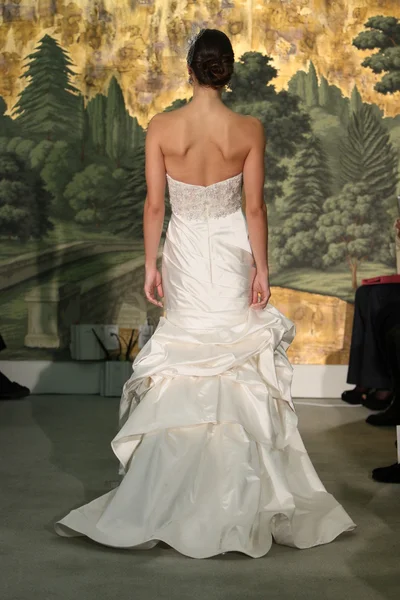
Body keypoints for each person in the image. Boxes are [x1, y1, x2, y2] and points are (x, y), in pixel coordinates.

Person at [55, 28, 355, 558]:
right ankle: (243, 498)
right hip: (231, 247)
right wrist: (263, 268)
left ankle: (165, 497)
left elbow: (154, 207)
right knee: (234, 364)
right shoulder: (247, 128)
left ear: (190, 69)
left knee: (186, 360)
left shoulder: (163, 127)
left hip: (186, 251)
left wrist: (150, 264)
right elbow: (256, 208)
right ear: (227, 71)